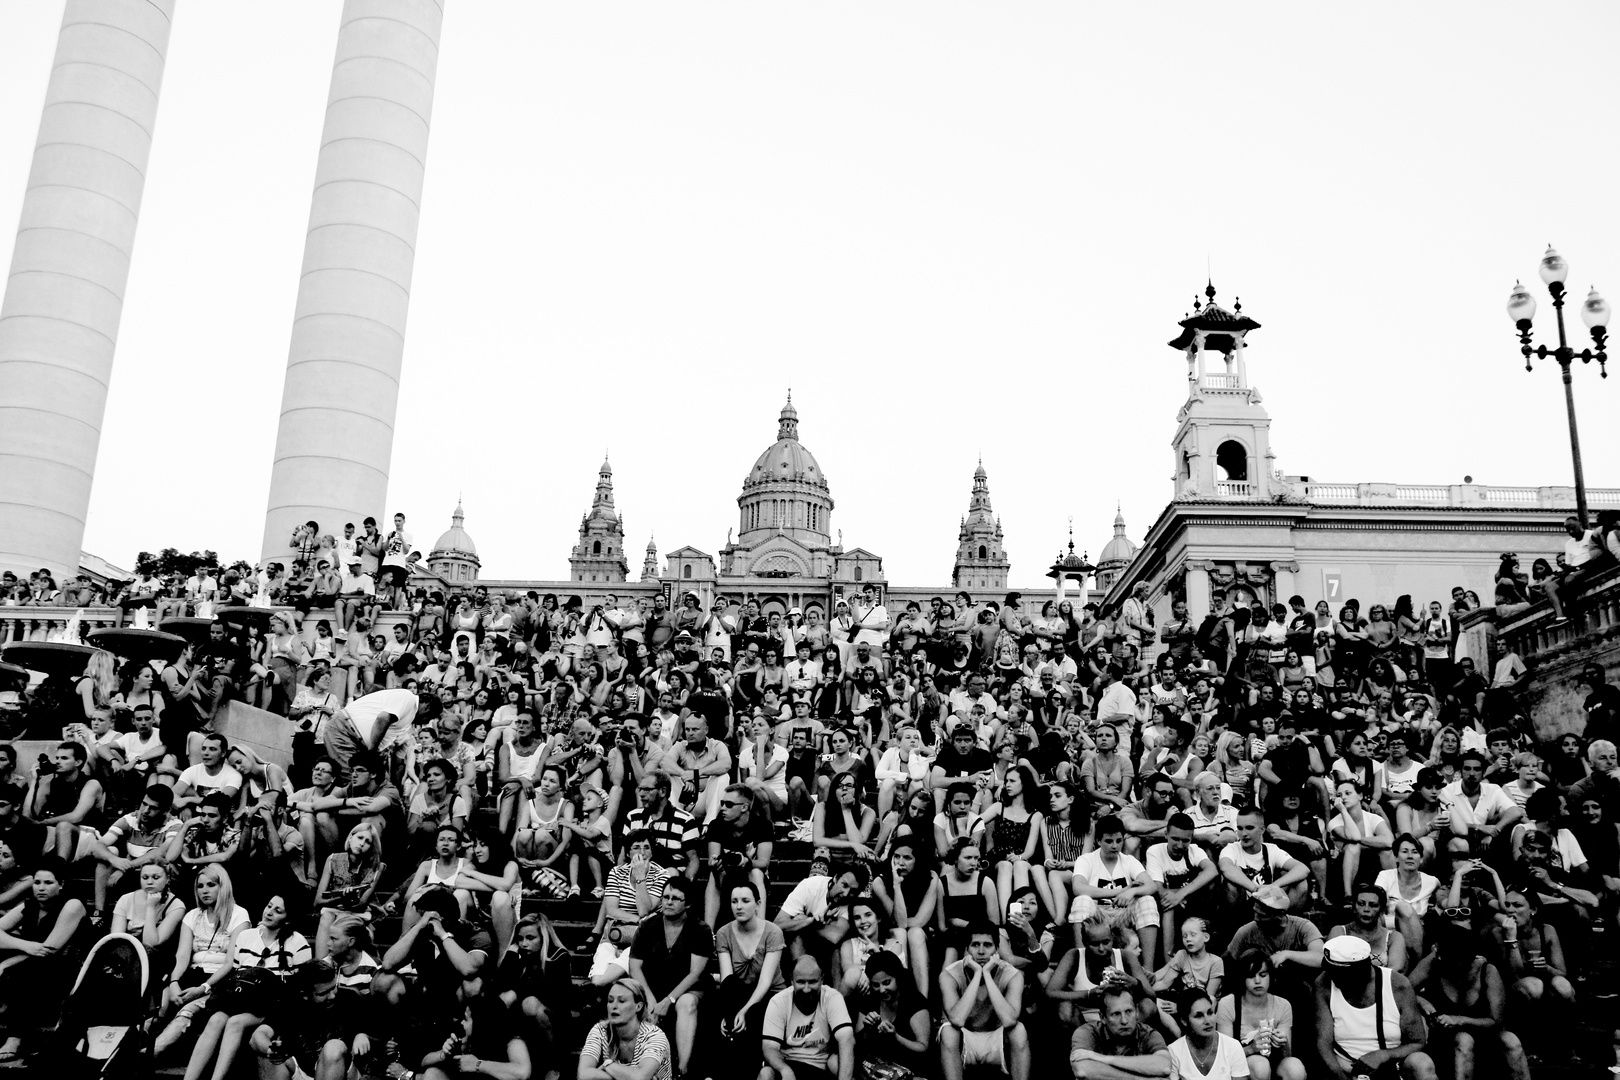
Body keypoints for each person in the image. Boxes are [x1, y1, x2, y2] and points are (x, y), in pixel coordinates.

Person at [180, 893, 313, 1080]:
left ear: (288, 918)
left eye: (278, 911)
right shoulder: (246, 937)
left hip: (271, 1006)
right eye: (269, 906)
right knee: (216, 1019)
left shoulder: (298, 943)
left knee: (236, 1022)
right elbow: (236, 974)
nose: (269, 912)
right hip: (241, 999)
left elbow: (300, 987)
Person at [0, 856, 89, 1062]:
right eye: (37, 882)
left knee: (25, 972)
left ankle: (15, 1037)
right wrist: (25, 945)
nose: (41, 888)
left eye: (48, 883)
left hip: (70, 968)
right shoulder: (29, 905)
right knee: (24, 967)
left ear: (61, 884)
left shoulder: (72, 905)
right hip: (35, 962)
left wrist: (5, 964)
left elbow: (49, 950)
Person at [1314, 935, 1435, 1080]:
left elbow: (1417, 1042)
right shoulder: (1324, 983)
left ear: (1359, 972)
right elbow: (1323, 1043)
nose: (1333, 978)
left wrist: (1382, 1055)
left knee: (1421, 1063)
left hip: (1393, 1067)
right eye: (1330, 972)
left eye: (1339, 975)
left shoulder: (1398, 984)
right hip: (1345, 1069)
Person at [628, 877, 711, 1080]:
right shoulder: (647, 927)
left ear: (688, 903)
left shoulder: (700, 929)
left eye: (675, 898)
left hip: (690, 989)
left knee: (685, 1003)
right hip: (654, 988)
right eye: (665, 897)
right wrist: (650, 1000)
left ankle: (682, 1070)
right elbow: (634, 967)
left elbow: (695, 973)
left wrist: (669, 1000)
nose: (668, 902)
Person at [939, 921, 1029, 1080]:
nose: (981, 951)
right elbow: (957, 1019)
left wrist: (986, 974)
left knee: (1019, 1030)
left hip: (996, 1038)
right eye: (975, 945)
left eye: (987, 945)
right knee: (948, 1031)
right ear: (967, 948)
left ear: (996, 949)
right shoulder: (949, 975)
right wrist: (976, 976)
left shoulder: (1012, 974)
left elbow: (1009, 1020)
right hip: (965, 1039)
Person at [762, 955, 856, 1080]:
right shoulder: (778, 1001)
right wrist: (785, 1071)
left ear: (822, 980)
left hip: (820, 1067)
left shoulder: (832, 998)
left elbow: (847, 1039)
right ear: (792, 980)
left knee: (837, 1063)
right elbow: (769, 1047)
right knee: (766, 1073)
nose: (806, 989)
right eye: (801, 982)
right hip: (788, 1063)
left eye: (812, 982)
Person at [1217, 951, 1306, 1080]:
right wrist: (1251, 1049)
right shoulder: (1228, 1003)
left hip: (1275, 1064)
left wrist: (1283, 1043)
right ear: (1243, 978)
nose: (1258, 981)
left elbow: (1287, 1055)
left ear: (1270, 976)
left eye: (1263, 975)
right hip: (1239, 1069)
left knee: (1295, 1067)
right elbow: (1224, 1057)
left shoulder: (1283, 1005)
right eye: (1251, 976)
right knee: (1260, 1065)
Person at [1069, 985, 1174, 1079]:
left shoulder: (1148, 1034)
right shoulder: (1087, 1032)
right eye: (1116, 1014)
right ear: (1103, 1017)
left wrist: (1102, 1058)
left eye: (1128, 1011)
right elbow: (1082, 1070)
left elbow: (1164, 1066)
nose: (1124, 1020)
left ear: (1137, 1012)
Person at [579, 977, 671, 1080]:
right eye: (610, 1000)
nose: (614, 1006)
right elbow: (583, 1074)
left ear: (638, 1007)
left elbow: (640, 1077)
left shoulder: (654, 1035)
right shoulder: (600, 1030)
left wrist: (608, 1064)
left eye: (621, 1001)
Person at [1167, 988, 1250, 1080]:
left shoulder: (1233, 1046)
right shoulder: (1174, 1051)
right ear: (1184, 1021)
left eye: (1210, 1013)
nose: (1207, 1021)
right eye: (1199, 1016)